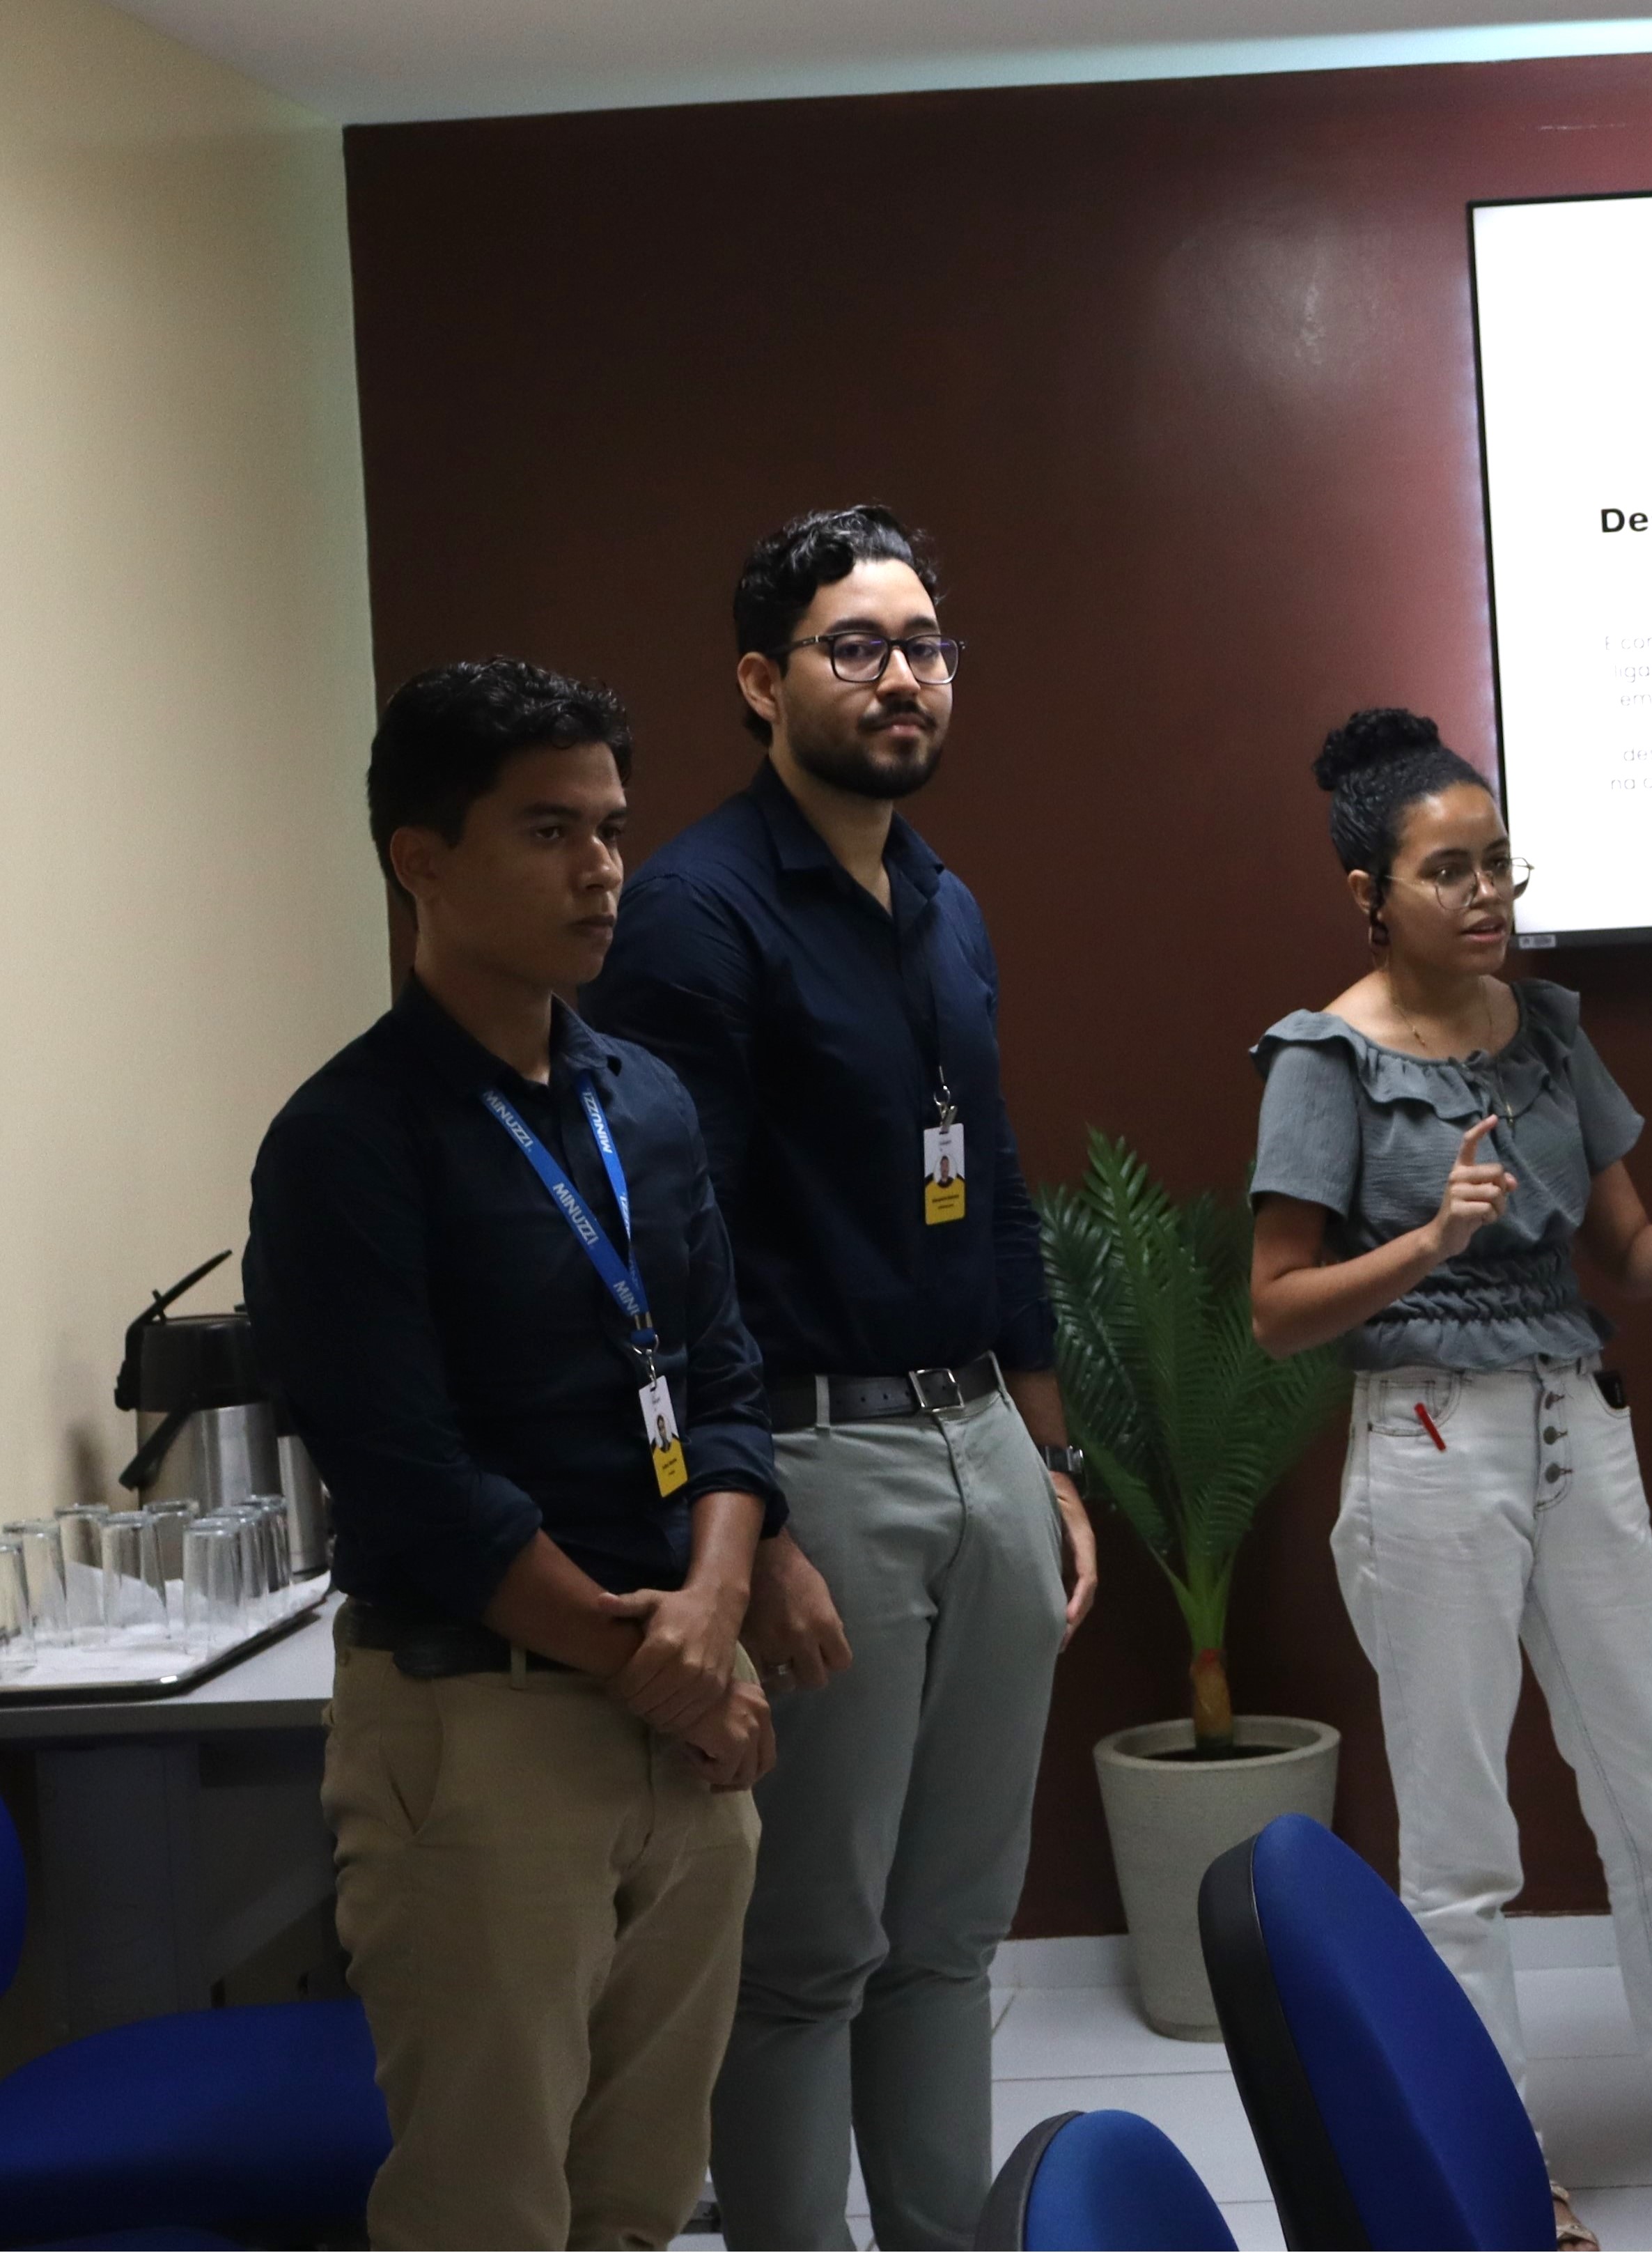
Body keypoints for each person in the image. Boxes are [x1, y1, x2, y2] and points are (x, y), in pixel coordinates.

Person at [1247, 709, 1652, 2245]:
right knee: (1460, 1850)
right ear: (1369, 892)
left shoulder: (1544, 1031)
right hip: (1425, 1440)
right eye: (1449, 871)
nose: (1487, 895)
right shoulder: (1322, 1058)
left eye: (1500, 865)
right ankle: (1498, 2178)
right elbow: (1275, 1309)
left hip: (1576, 1421)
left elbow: (1631, 1255)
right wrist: (1429, 1240)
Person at [583, 505, 1095, 2252]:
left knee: (951, 1937)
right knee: (810, 1951)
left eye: (926, 646)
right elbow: (673, 1257)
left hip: (977, 1444)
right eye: (857, 646)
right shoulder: (695, 914)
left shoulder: (942, 902)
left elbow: (995, 1183)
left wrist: (1050, 1460)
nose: (903, 678)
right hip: (816, 1466)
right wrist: (760, 1535)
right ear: (760, 680)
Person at [246, 659, 779, 2250]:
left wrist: (714, 1616)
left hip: (683, 1699)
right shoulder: (346, 1140)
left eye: (611, 827)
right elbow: (417, 1482)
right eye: (550, 831)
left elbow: (723, 1382)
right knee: (488, 2209)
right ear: (421, 859)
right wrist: (664, 1666)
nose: (603, 869)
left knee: (641, 2198)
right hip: (484, 1721)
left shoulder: (644, 1101)